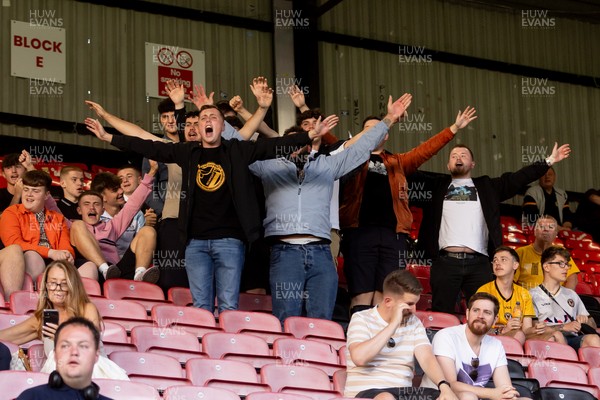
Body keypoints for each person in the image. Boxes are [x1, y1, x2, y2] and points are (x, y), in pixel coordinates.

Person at [85, 79, 324, 314]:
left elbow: (274, 145)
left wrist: (310, 135)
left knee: (229, 306)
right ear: (197, 129)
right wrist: (108, 137)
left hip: (230, 241)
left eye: (214, 118)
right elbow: (147, 145)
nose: (208, 122)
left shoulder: (238, 150)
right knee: (200, 308)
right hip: (195, 243)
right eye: (203, 119)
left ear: (223, 127)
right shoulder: (187, 152)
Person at [250, 94, 412, 323]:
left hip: (321, 252)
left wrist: (389, 119)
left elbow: (360, 148)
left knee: (322, 323)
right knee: (287, 320)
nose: (299, 146)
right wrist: (258, 110)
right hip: (284, 252)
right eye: (294, 141)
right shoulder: (269, 168)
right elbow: (234, 146)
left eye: (303, 141)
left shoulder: (326, 165)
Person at [340, 107, 477, 315]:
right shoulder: (349, 158)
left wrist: (454, 128)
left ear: (385, 135)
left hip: (393, 235)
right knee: (361, 293)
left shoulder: (398, 162)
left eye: (377, 129)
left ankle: (381, 343)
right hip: (359, 232)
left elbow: (426, 150)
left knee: (384, 295)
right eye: (368, 129)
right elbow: (329, 145)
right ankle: (357, 341)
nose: (372, 132)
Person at [413, 142, 571, 314]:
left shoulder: (487, 186)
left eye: (463, 155)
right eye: (454, 156)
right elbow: (406, 164)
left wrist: (548, 161)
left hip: (479, 263)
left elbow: (518, 178)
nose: (458, 158)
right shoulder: (436, 187)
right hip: (445, 262)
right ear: (448, 165)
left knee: (484, 313)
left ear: (472, 164)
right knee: (441, 314)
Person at [0, 260, 128, 380]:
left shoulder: (86, 309)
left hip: (92, 370)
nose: (57, 288)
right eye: (53, 282)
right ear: (46, 285)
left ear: (73, 286)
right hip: (58, 376)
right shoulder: (45, 318)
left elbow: (90, 344)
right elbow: (5, 337)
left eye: (64, 283)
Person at [345, 270, 458, 400]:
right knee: (386, 398)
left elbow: (426, 358)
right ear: (388, 301)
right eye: (409, 304)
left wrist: (443, 386)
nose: (414, 310)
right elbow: (359, 358)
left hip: (403, 393)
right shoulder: (361, 318)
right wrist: (393, 325)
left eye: (416, 303)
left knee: (447, 397)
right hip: (366, 391)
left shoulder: (414, 322)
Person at [421, 292, 525, 400]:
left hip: (474, 397)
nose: (480, 316)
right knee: (468, 397)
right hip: (438, 396)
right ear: (467, 313)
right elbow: (450, 384)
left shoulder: (496, 345)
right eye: (476, 310)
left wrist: (509, 395)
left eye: (487, 312)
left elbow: (504, 387)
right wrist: (492, 394)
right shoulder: (446, 336)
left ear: (495, 319)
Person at [0, 170, 77, 280]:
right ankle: (33, 295)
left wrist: (68, 254)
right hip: (27, 259)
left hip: (53, 260)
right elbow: (14, 244)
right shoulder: (11, 213)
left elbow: (64, 243)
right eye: (26, 189)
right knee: (33, 256)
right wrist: (49, 252)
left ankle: (80, 297)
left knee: (89, 266)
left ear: (46, 195)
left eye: (35, 191)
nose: (29, 194)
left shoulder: (57, 217)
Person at [476, 246, 560, 345]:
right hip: (490, 339)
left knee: (556, 335)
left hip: (519, 336)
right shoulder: (484, 291)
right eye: (495, 261)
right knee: (518, 335)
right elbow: (478, 327)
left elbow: (526, 329)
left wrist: (537, 329)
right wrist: (503, 330)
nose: (497, 263)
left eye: (503, 259)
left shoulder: (524, 293)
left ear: (515, 265)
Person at [16, 317, 113, 399]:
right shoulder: (31, 397)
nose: (74, 352)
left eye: (83, 346)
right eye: (65, 346)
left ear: (96, 356)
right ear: (54, 355)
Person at [529, 246, 600, 350]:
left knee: (593, 339)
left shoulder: (571, 294)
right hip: (548, 338)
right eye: (561, 263)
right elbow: (533, 329)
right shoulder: (532, 295)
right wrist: (563, 327)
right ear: (546, 267)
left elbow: (593, 325)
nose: (566, 268)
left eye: (567, 264)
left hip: (573, 338)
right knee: (556, 336)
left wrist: (585, 320)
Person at [515, 215, 579, 290]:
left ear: (555, 234)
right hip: (526, 299)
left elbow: (572, 279)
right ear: (535, 231)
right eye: (542, 226)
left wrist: (566, 299)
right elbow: (510, 281)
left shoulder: (561, 252)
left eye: (550, 227)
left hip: (554, 299)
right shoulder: (520, 252)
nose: (546, 230)